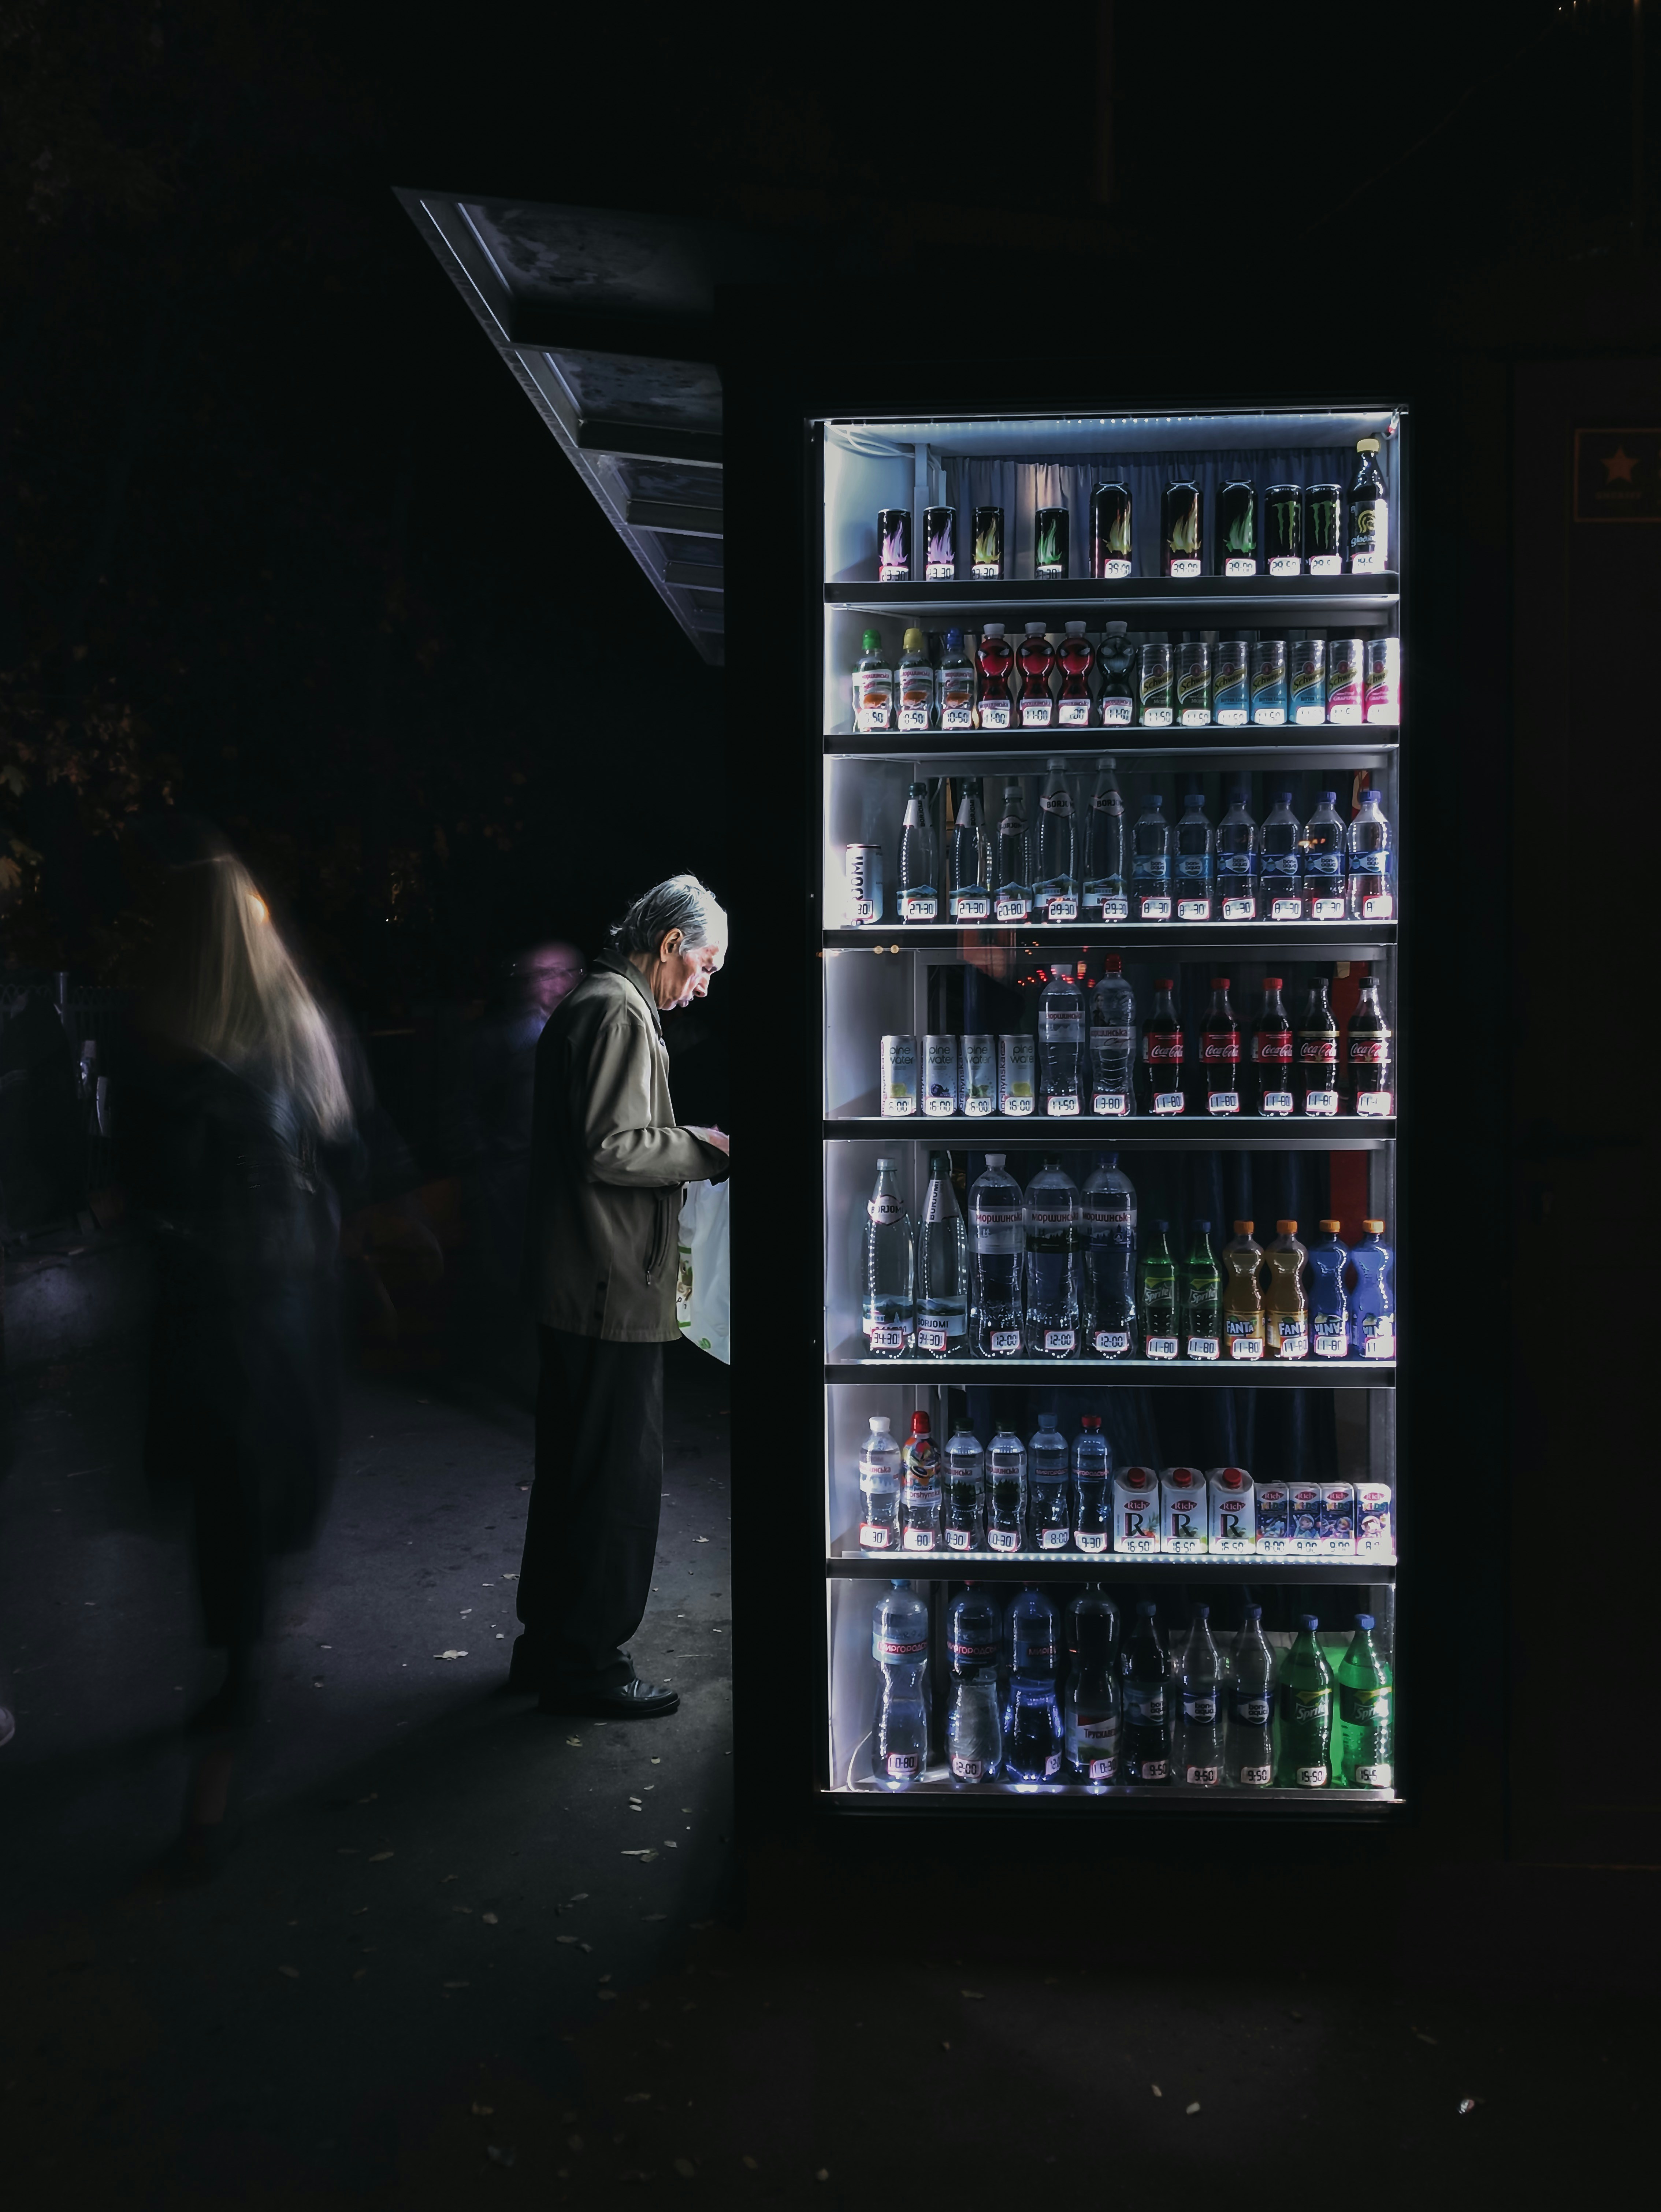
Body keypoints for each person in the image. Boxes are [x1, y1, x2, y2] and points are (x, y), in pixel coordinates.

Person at [120, 838, 356, 1870]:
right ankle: (232, 1698)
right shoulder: (290, 1036)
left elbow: (177, 1214)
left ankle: (208, 1803)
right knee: (238, 1554)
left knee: (228, 1559)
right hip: (279, 1335)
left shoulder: (183, 1063)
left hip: (225, 1342)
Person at [510, 875, 728, 1718]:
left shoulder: (601, 1004)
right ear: (669, 944)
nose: (705, 984)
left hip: (586, 1287)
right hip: (607, 1291)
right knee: (614, 1488)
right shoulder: (616, 1010)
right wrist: (704, 1147)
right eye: (704, 964)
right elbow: (612, 1147)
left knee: (573, 1477)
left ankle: (550, 1649)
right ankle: (590, 1664)